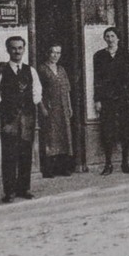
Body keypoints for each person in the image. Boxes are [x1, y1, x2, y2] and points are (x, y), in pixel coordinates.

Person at [0, 36, 41, 201]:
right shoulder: (0, 71)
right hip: (9, 119)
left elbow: (37, 91)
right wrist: (3, 107)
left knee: (26, 153)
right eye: (13, 48)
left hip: (27, 117)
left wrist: (28, 104)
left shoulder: (30, 70)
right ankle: (9, 191)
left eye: (20, 48)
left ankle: (23, 189)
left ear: (24, 49)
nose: (17, 51)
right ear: (8, 50)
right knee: (9, 153)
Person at [92, 27, 129, 175]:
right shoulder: (99, 56)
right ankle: (108, 164)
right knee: (108, 131)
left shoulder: (125, 54)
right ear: (104, 39)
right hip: (107, 98)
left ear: (118, 38)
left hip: (124, 97)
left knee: (125, 130)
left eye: (112, 36)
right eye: (107, 36)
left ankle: (124, 162)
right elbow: (97, 80)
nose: (110, 39)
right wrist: (98, 99)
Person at [35, 44, 76, 178]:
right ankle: (49, 169)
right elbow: (37, 91)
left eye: (58, 53)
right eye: (53, 52)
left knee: (64, 136)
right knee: (50, 137)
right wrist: (42, 107)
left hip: (63, 107)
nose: (55, 56)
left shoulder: (61, 69)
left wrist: (69, 106)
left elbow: (67, 90)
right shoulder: (41, 69)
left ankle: (62, 168)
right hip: (50, 107)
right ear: (48, 53)